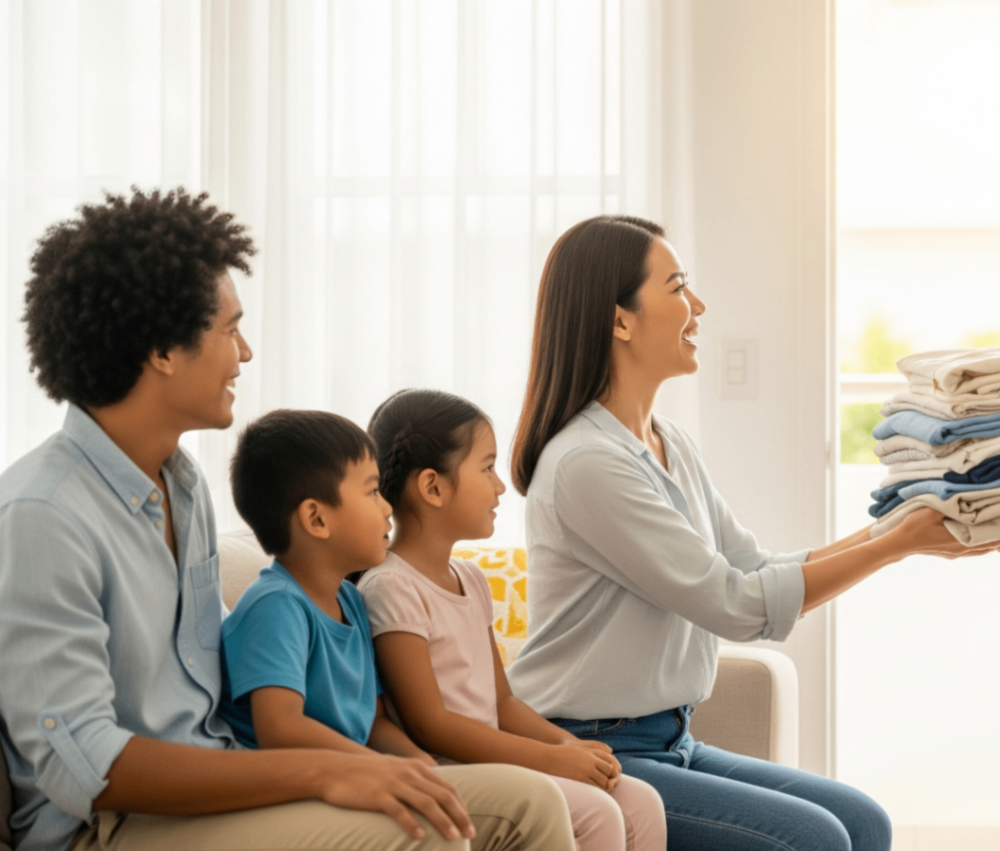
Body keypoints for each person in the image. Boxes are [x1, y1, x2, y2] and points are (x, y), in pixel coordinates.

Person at [0, 188, 573, 851]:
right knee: (430, 833)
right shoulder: (42, 515)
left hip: (222, 783)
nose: (243, 352)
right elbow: (88, 768)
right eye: (228, 328)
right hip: (111, 827)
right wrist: (324, 770)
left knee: (529, 800)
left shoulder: (183, 487)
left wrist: (361, 760)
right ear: (162, 348)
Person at [507, 215, 996, 851]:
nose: (698, 306)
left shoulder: (665, 442)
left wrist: (894, 528)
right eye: (678, 287)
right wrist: (897, 544)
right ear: (620, 320)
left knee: (865, 822)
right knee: (815, 840)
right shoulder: (587, 464)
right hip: (594, 749)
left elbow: (750, 564)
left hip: (672, 739)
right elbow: (734, 605)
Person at [361, 388, 667, 851]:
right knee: (597, 812)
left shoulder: (471, 579)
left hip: (501, 762)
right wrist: (548, 758)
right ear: (432, 487)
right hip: (455, 771)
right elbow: (431, 725)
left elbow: (502, 702)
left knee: (642, 802)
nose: (500, 486)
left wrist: (564, 746)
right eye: (486, 467)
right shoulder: (391, 587)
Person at [217, 409, 436, 764]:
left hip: (352, 774)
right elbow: (281, 728)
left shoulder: (350, 600)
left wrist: (420, 765)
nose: (387, 508)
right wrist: (384, 771)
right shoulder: (275, 606)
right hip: (286, 790)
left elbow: (374, 723)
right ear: (317, 519)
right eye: (372, 491)